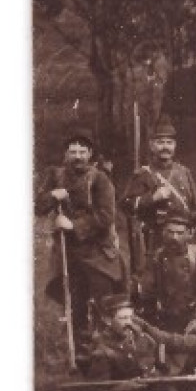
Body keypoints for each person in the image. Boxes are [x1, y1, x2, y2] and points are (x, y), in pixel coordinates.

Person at [38, 132, 124, 340]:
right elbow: (38, 205)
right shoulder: (55, 176)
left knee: (102, 303)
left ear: (90, 154)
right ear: (66, 154)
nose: (78, 156)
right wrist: (52, 196)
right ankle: (79, 348)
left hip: (97, 253)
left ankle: (106, 348)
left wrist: (72, 225)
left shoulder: (100, 179)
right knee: (73, 303)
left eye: (82, 152)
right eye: (73, 151)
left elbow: (106, 216)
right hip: (68, 253)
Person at [122, 117, 196, 283]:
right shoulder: (143, 174)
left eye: (169, 142)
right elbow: (126, 205)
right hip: (155, 239)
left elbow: (195, 208)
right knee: (154, 282)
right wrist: (152, 198)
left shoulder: (184, 173)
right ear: (152, 145)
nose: (165, 147)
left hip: (182, 238)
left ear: (175, 146)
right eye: (160, 142)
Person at [141, 210, 196, 337]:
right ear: (163, 233)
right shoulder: (157, 258)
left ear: (189, 234)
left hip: (193, 317)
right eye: (170, 232)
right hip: (167, 319)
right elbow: (147, 292)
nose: (174, 238)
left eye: (180, 233)